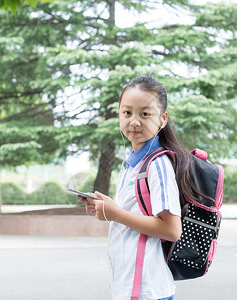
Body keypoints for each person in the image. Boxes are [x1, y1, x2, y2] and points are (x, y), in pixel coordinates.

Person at [78, 75, 202, 300]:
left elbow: (172, 229)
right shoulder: (134, 163)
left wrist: (117, 213)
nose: (134, 121)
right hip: (130, 287)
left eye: (144, 114)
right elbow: (132, 214)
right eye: (127, 112)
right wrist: (107, 210)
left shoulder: (158, 165)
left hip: (147, 290)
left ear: (163, 119)